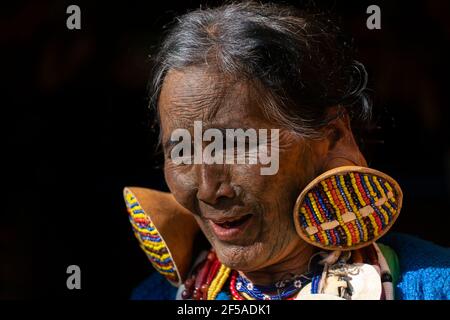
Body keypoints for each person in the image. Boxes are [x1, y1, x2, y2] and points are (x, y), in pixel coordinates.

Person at [123, 1, 449, 300]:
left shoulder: (431, 287)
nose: (209, 190)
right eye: (182, 151)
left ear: (332, 138)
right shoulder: (157, 297)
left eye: (237, 145)